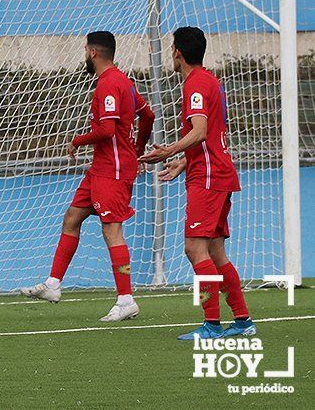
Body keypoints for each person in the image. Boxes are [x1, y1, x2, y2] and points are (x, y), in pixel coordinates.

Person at [21, 31, 154, 322]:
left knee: (112, 231)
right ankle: (54, 284)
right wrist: (138, 149)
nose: (85, 54)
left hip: (113, 171)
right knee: (72, 217)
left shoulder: (109, 85)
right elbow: (149, 115)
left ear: (93, 52)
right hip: (101, 169)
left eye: (85, 50)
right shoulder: (125, 82)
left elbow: (106, 131)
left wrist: (77, 140)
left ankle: (126, 299)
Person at [140, 26, 254, 340]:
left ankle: (212, 324)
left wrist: (170, 149)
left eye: (171, 47)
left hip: (208, 177)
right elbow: (212, 136)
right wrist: (182, 161)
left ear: (178, 51)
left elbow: (201, 131)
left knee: (194, 249)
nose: (171, 52)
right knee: (216, 251)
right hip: (214, 172)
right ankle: (243, 321)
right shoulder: (210, 81)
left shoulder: (194, 85)